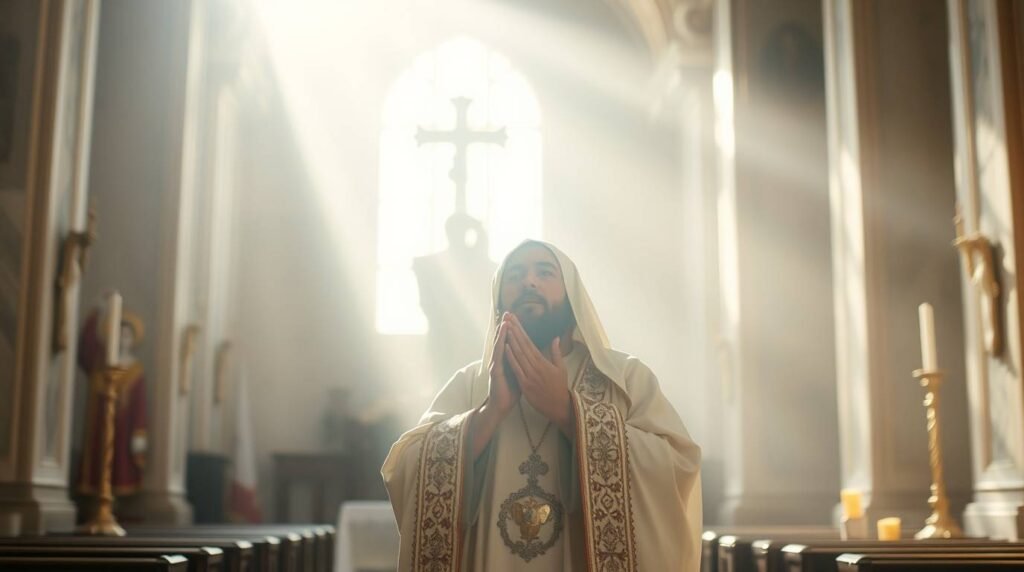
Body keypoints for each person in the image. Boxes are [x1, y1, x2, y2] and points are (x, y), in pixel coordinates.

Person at [382, 240, 702, 571]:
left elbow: (678, 465)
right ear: (499, 302)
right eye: (515, 275)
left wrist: (569, 412)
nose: (529, 282)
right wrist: (489, 413)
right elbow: (406, 468)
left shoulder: (623, 376)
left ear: (572, 295)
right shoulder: (472, 382)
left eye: (545, 272)